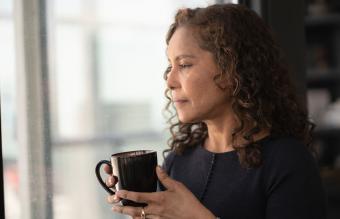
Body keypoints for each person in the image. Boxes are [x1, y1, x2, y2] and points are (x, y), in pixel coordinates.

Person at [104, 3, 327, 219]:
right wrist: (137, 203)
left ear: (232, 68)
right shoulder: (178, 161)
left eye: (184, 65)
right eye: (170, 66)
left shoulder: (289, 163)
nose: (170, 81)